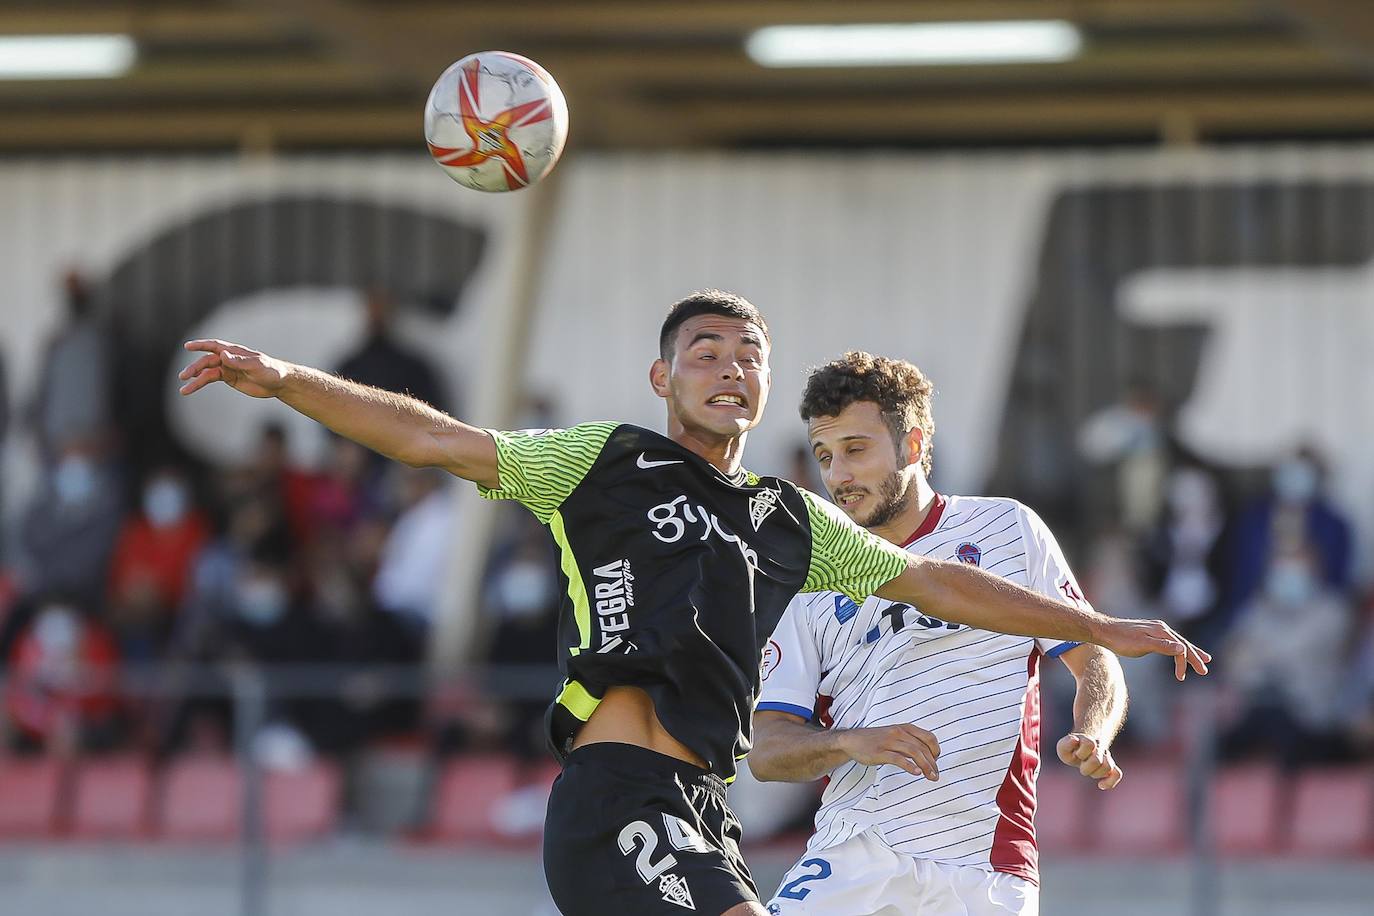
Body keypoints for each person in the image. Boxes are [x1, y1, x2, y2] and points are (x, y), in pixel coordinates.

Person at [178, 290, 1207, 916]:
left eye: (747, 354)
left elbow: (939, 581)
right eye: (705, 351)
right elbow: (437, 439)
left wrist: (1095, 628)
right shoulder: (603, 460)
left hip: (704, 813)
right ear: (664, 375)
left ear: (762, 392)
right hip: (617, 795)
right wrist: (288, 381)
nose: (730, 366)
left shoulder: (787, 518)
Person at [751, 352, 1131, 915]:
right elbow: (767, 749)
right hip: (856, 850)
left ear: (912, 444)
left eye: (856, 450)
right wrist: (850, 742)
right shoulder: (806, 578)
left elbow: (1093, 657)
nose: (838, 477)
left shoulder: (1008, 528)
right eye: (825, 456)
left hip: (985, 868)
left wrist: (1093, 731)